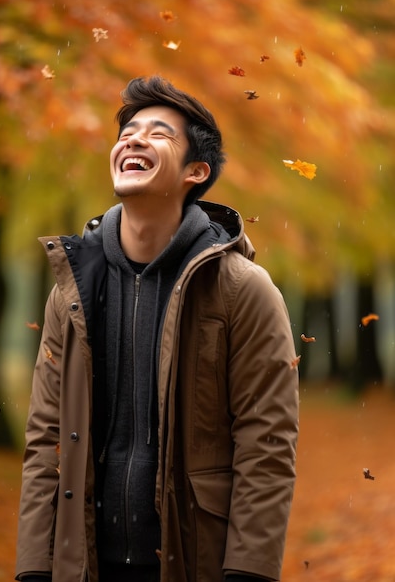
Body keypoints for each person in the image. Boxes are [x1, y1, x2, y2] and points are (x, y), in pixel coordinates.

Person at [15, 75, 299, 582]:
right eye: (127, 132)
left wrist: (249, 572)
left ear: (196, 170)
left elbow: (267, 444)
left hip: (193, 562)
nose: (133, 139)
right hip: (85, 564)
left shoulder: (242, 290)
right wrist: (36, 567)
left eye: (158, 133)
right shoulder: (71, 291)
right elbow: (46, 437)